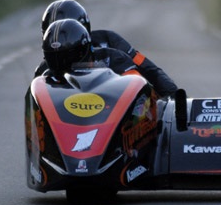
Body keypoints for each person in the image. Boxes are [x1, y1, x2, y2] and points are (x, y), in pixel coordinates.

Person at [40, 18, 188, 131]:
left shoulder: (113, 54)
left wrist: (172, 97)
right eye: (55, 57)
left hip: (113, 113)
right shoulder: (43, 73)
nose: (62, 63)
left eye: (69, 55)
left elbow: (142, 82)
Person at [38, 0, 178, 98]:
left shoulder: (110, 44)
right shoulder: (43, 69)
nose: (60, 36)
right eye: (52, 30)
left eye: (70, 28)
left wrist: (173, 98)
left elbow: (147, 69)